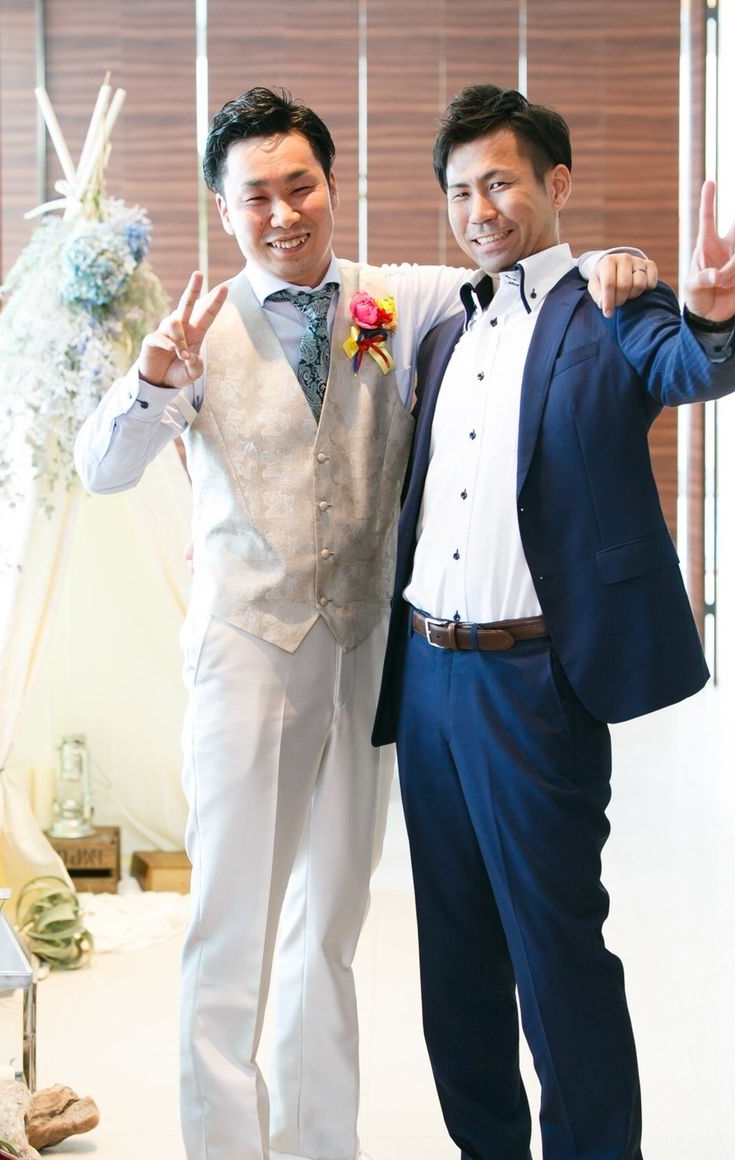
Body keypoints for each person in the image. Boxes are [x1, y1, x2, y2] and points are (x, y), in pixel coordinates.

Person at [74, 86, 653, 1160]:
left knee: (330, 927)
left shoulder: (404, 296)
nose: (283, 213)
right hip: (248, 654)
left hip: (365, 658)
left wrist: (617, 259)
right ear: (224, 208)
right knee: (229, 933)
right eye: (256, 196)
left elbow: (520, 267)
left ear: (332, 186)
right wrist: (152, 383)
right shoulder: (196, 332)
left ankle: (316, 1144)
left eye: (300, 186)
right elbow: (102, 470)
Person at [372, 84, 735, 1160]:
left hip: (532, 682)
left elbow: (691, 365)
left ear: (557, 183)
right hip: (428, 676)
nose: (480, 208)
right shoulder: (444, 330)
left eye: (500, 181)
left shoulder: (612, 304)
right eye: (460, 191)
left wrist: (711, 313)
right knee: (454, 958)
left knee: (557, 953)